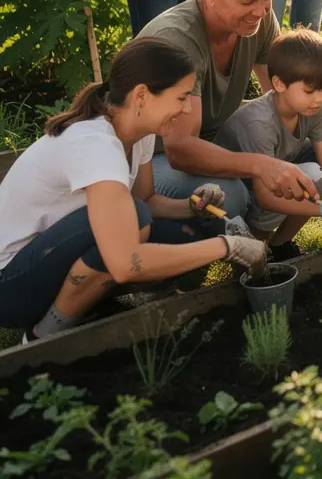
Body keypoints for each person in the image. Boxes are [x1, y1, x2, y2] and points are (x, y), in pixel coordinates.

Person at [0, 38, 266, 340]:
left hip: (48, 257)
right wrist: (228, 246)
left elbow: (146, 199)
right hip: (10, 283)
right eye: (181, 97)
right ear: (141, 95)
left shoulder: (139, 133)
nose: (186, 108)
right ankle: (43, 335)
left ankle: (89, 303)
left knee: (181, 231)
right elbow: (125, 263)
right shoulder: (95, 145)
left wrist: (191, 208)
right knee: (135, 220)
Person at [138, 0, 322, 220]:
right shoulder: (177, 40)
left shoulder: (257, 20)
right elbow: (180, 150)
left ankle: (258, 220)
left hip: (221, 142)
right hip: (155, 159)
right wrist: (262, 166)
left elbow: (279, 94)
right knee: (230, 197)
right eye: (248, 1)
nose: (261, 11)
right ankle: (230, 223)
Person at [218, 29, 322, 258]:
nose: (319, 98)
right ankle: (254, 248)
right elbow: (265, 195)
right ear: (279, 84)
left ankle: (279, 245)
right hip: (232, 192)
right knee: (293, 183)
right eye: (310, 90)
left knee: (314, 176)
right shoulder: (260, 123)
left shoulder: (311, 109)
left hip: (269, 177)